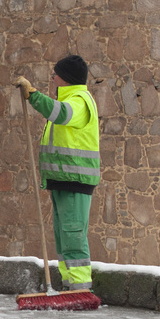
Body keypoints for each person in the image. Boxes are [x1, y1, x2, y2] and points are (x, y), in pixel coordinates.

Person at [15, 55, 100, 291]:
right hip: (63, 180)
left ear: (67, 77)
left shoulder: (79, 101)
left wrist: (33, 95)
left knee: (73, 236)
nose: (52, 77)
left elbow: (60, 113)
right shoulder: (71, 99)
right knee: (63, 238)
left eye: (56, 73)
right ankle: (69, 285)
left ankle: (81, 288)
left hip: (76, 180)